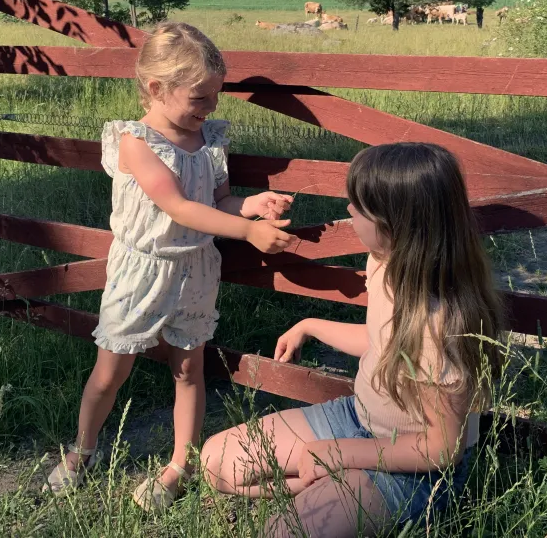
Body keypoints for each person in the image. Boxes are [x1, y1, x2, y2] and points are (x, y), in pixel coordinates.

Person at [46, 22, 294, 511]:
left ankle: (180, 464)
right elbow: (178, 207)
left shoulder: (209, 141)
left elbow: (217, 200)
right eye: (200, 98)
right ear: (157, 89)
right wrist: (247, 233)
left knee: (189, 369)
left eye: (215, 97)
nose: (210, 108)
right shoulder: (137, 143)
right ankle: (83, 450)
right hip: (142, 272)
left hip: (197, 269)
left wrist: (252, 206)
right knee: (110, 370)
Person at [202, 142, 504, 536]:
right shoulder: (383, 262)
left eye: (358, 208)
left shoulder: (440, 322)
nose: (348, 211)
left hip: (414, 468)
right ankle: (330, 488)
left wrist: (340, 453)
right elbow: (382, 342)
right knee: (215, 461)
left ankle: (338, 492)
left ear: (393, 224)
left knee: (282, 532)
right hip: (357, 420)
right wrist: (309, 325)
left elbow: (442, 448)